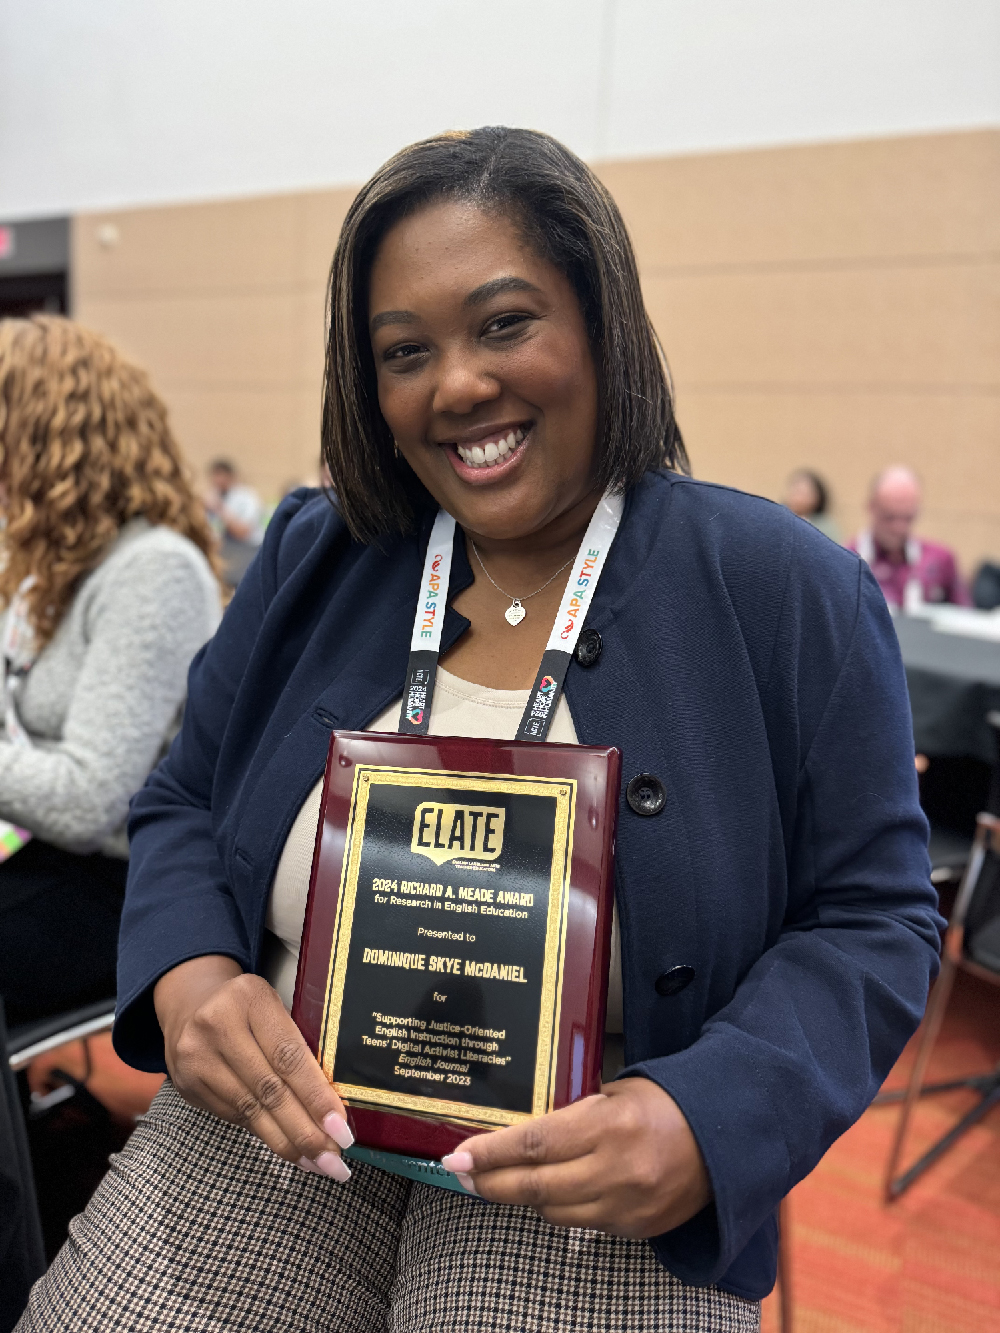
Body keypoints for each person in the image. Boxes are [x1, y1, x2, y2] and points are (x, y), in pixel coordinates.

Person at [18, 129, 940, 1333]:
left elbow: (875, 916)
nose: (454, 384)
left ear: (601, 321)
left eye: (504, 323)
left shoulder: (785, 590)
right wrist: (192, 978)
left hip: (590, 1157)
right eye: (405, 351)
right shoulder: (320, 553)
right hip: (287, 1115)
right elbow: (184, 797)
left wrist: (707, 1116)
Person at [0, 316, 221, 1031]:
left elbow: (88, 801)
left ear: (44, 443)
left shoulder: (155, 569)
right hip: (51, 858)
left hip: (131, 886)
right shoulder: (48, 570)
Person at [849, 465, 970, 609]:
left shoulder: (940, 559)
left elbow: (966, 618)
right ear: (871, 508)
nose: (898, 528)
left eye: (908, 518)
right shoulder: (849, 558)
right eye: (889, 517)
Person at [204, 458, 265, 587]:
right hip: (224, 552)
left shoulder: (246, 497)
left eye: (220, 476)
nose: (216, 480)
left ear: (230, 476)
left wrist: (219, 508)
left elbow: (242, 531)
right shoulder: (213, 496)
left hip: (246, 552)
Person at [781, 467, 840, 541]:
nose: (798, 498)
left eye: (803, 493)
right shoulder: (780, 517)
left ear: (817, 498)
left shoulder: (825, 525)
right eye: (795, 491)